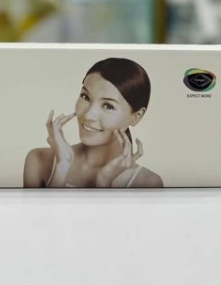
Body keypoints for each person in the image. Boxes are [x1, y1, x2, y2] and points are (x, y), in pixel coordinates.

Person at [23, 58, 163, 188]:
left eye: (108, 106)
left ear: (136, 117)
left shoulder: (147, 182)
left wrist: (103, 182)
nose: (88, 115)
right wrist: (62, 166)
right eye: (85, 97)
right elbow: (43, 209)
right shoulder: (38, 160)